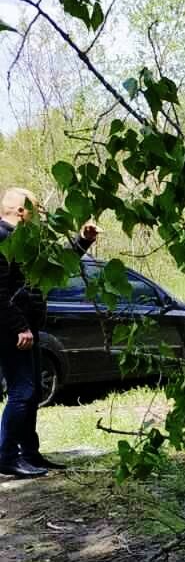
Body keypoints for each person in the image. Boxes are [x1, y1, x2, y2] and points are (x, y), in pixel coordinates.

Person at [0, 188, 99, 478]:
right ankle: (6, 456)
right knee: (22, 391)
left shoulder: (23, 241)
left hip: (27, 328)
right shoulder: (2, 238)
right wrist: (19, 326)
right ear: (20, 211)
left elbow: (54, 265)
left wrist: (83, 242)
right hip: (10, 330)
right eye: (36, 207)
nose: (41, 213)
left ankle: (29, 454)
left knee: (31, 393)